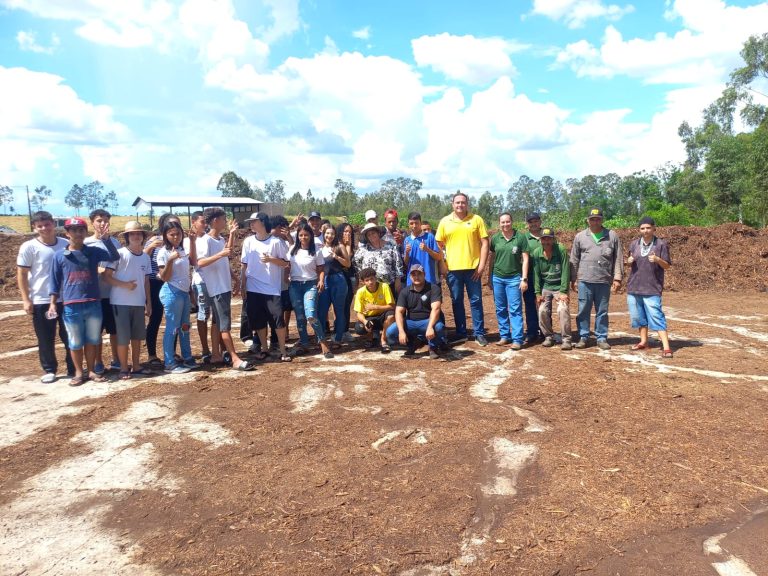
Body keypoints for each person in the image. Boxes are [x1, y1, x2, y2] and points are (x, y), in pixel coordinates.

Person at [48, 217, 120, 386]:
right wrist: (53, 303)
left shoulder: (93, 252)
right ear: (67, 233)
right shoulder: (59, 256)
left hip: (93, 303)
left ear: (85, 232)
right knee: (75, 341)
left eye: (81, 230)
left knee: (93, 339)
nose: (78, 233)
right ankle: (79, 373)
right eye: (73, 230)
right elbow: (54, 281)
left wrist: (106, 239)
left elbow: (114, 256)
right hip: (71, 305)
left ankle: (93, 370)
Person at [17, 211, 75, 383]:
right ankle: (49, 369)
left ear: (53, 224)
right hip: (41, 300)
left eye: (47, 224)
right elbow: (21, 273)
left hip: (66, 298)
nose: (44, 228)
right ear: (34, 228)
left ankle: (73, 367)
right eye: (40, 225)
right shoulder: (29, 247)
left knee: (70, 335)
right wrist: (26, 299)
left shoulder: (66, 244)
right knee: (45, 337)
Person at [197, 207, 254, 371]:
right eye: (223, 218)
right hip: (217, 288)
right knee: (224, 325)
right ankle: (235, 358)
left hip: (223, 285)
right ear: (215, 220)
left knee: (216, 322)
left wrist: (232, 235)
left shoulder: (219, 239)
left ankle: (216, 354)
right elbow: (200, 263)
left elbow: (226, 254)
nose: (225, 221)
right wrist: (220, 255)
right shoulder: (205, 241)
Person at [435, 192, 489, 346]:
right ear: (452, 204)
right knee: (457, 301)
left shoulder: (476, 219)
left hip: (473, 269)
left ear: (467, 204)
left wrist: (482, 265)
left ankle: (479, 333)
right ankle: (461, 332)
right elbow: (439, 245)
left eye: (463, 202)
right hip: (453, 270)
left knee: (476, 301)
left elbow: (485, 243)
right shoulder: (445, 221)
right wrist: (443, 265)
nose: (460, 205)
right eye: (457, 202)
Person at [104, 221, 153, 379]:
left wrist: (148, 302)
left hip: (138, 302)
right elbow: (107, 276)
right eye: (132, 233)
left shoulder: (145, 257)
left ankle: (136, 365)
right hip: (121, 302)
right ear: (127, 236)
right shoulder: (119, 254)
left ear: (143, 236)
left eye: (139, 233)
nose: (136, 236)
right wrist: (124, 285)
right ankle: (124, 368)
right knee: (123, 337)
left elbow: (146, 281)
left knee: (137, 336)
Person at [570, 207, 623, 350]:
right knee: (583, 310)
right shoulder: (580, 236)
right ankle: (583, 336)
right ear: (588, 220)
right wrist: (573, 279)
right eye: (592, 219)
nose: (595, 221)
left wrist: (617, 278)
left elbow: (618, 258)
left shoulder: (611, 236)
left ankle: (601, 337)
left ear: (602, 220)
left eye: (598, 219)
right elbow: (574, 259)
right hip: (584, 281)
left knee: (602, 311)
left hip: (603, 281)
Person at [240, 212, 291, 362]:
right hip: (253, 287)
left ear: (262, 222)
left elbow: (285, 262)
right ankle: (265, 349)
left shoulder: (276, 242)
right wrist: (243, 284)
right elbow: (244, 265)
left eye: (254, 221)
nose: (251, 224)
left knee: (277, 320)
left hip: (271, 289)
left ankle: (283, 351)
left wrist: (271, 259)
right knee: (258, 321)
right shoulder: (248, 241)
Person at [626, 216, 673, 358]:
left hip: (652, 288)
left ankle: (666, 347)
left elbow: (667, 266)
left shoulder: (660, 245)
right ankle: (644, 341)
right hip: (634, 287)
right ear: (639, 230)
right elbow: (630, 263)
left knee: (656, 316)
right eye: (642, 228)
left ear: (654, 228)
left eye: (648, 228)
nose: (645, 231)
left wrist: (658, 260)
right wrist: (628, 261)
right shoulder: (634, 244)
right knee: (639, 317)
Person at [156, 221, 199, 374]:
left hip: (184, 292)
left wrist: (192, 242)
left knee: (185, 326)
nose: (175, 237)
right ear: (165, 236)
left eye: (178, 234)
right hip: (171, 292)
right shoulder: (163, 253)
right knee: (172, 328)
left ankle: (187, 357)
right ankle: (169, 363)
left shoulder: (182, 249)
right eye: (171, 234)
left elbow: (193, 262)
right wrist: (170, 260)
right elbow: (165, 277)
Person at [84, 209, 122, 374]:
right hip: (94, 296)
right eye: (99, 220)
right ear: (92, 222)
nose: (103, 224)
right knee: (96, 331)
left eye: (106, 220)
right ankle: (98, 362)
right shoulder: (85, 243)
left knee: (114, 330)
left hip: (112, 294)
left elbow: (118, 262)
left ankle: (116, 359)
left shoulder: (115, 243)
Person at [288, 223, 333, 358]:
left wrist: (320, 281)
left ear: (311, 236)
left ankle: (323, 341)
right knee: (300, 316)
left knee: (311, 314)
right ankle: (304, 341)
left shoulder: (316, 251)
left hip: (310, 285)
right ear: (297, 236)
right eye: (300, 235)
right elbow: (287, 265)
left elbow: (321, 269)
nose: (303, 237)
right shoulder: (292, 250)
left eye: (306, 235)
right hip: (295, 285)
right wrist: (285, 274)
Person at [385, 264, 447, 359]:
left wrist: (430, 327)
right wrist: (401, 331)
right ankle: (413, 343)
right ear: (410, 277)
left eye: (419, 274)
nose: (416, 277)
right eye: (413, 275)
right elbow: (399, 311)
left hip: (428, 321)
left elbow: (436, 308)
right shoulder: (405, 291)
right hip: (411, 322)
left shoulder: (433, 288)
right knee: (390, 332)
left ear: (424, 274)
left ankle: (433, 347)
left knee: (439, 327)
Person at [144, 212, 181, 367]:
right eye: (172, 223)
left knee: (173, 319)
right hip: (155, 283)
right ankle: (152, 354)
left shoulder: (178, 242)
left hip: (173, 283)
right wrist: (150, 247)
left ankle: (171, 352)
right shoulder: (154, 240)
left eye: (177, 223)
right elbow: (141, 258)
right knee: (155, 318)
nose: (175, 226)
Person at [488, 213, 529, 350]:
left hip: (513, 279)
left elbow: (525, 259)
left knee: (515, 309)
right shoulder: (495, 239)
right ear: (499, 224)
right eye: (502, 222)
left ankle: (517, 338)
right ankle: (505, 335)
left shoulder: (520, 237)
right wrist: (489, 277)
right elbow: (492, 258)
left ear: (512, 222)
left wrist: (523, 278)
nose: (505, 224)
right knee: (500, 308)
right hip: (498, 277)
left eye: (507, 222)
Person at [532, 228, 573, 351]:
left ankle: (566, 339)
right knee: (542, 311)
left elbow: (566, 270)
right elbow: (536, 274)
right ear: (540, 240)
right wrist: (538, 293)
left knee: (563, 309)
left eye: (549, 238)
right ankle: (548, 336)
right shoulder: (536, 253)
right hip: (546, 287)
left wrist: (564, 291)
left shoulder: (560, 250)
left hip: (559, 286)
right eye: (544, 239)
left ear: (553, 239)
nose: (546, 241)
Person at [184, 211, 212, 362]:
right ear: (193, 222)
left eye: (206, 222)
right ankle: (205, 349)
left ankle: (218, 348)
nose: (205, 224)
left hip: (214, 281)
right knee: (203, 315)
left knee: (215, 316)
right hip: (200, 281)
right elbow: (192, 261)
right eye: (202, 221)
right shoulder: (187, 241)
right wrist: (192, 242)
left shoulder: (210, 238)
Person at [317, 225, 350, 350]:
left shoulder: (340, 246)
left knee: (339, 310)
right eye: (327, 233)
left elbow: (348, 264)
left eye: (332, 234)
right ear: (323, 234)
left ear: (335, 235)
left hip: (338, 280)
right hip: (324, 280)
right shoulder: (319, 247)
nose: (329, 236)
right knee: (321, 310)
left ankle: (338, 338)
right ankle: (321, 338)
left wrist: (336, 257)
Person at [354, 223, 403, 296]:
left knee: (389, 306)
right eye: (369, 235)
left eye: (373, 233)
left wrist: (398, 280)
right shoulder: (363, 249)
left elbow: (398, 263)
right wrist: (362, 277)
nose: (371, 236)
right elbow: (356, 262)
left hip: (389, 284)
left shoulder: (391, 245)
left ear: (378, 233)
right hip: (370, 286)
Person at [353, 267, 395, 352]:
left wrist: (375, 307)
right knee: (359, 328)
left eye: (372, 279)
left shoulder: (384, 286)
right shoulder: (360, 292)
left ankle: (383, 340)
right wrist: (365, 322)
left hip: (383, 315)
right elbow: (358, 312)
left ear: (376, 278)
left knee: (391, 316)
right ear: (363, 282)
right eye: (367, 280)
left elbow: (392, 306)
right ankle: (370, 338)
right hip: (369, 317)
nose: (370, 282)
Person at [403, 211, 442, 285]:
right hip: (412, 281)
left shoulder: (429, 237)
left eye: (416, 223)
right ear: (408, 224)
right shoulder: (407, 240)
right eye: (411, 223)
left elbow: (438, 257)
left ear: (420, 223)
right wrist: (407, 253)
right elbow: (406, 262)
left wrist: (427, 249)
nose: (414, 226)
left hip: (428, 279)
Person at [523, 213, 543, 344]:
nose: (534, 224)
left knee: (543, 304)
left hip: (545, 277)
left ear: (540, 222)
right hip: (529, 276)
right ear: (527, 224)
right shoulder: (523, 238)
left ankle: (545, 331)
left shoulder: (547, 235)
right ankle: (532, 332)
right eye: (531, 222)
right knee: (530, 304)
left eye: (536, 221)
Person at [337, 222, 356, 342]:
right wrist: (348, 245)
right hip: (339, 279)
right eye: (345, 231)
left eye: (350, 232)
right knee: (339, 306)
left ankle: (345, 330)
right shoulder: (338, 246)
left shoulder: (352, 246)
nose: (347, 234)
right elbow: (347, 260)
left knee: (347, 305)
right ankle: (339, 330)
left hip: (350, 279)